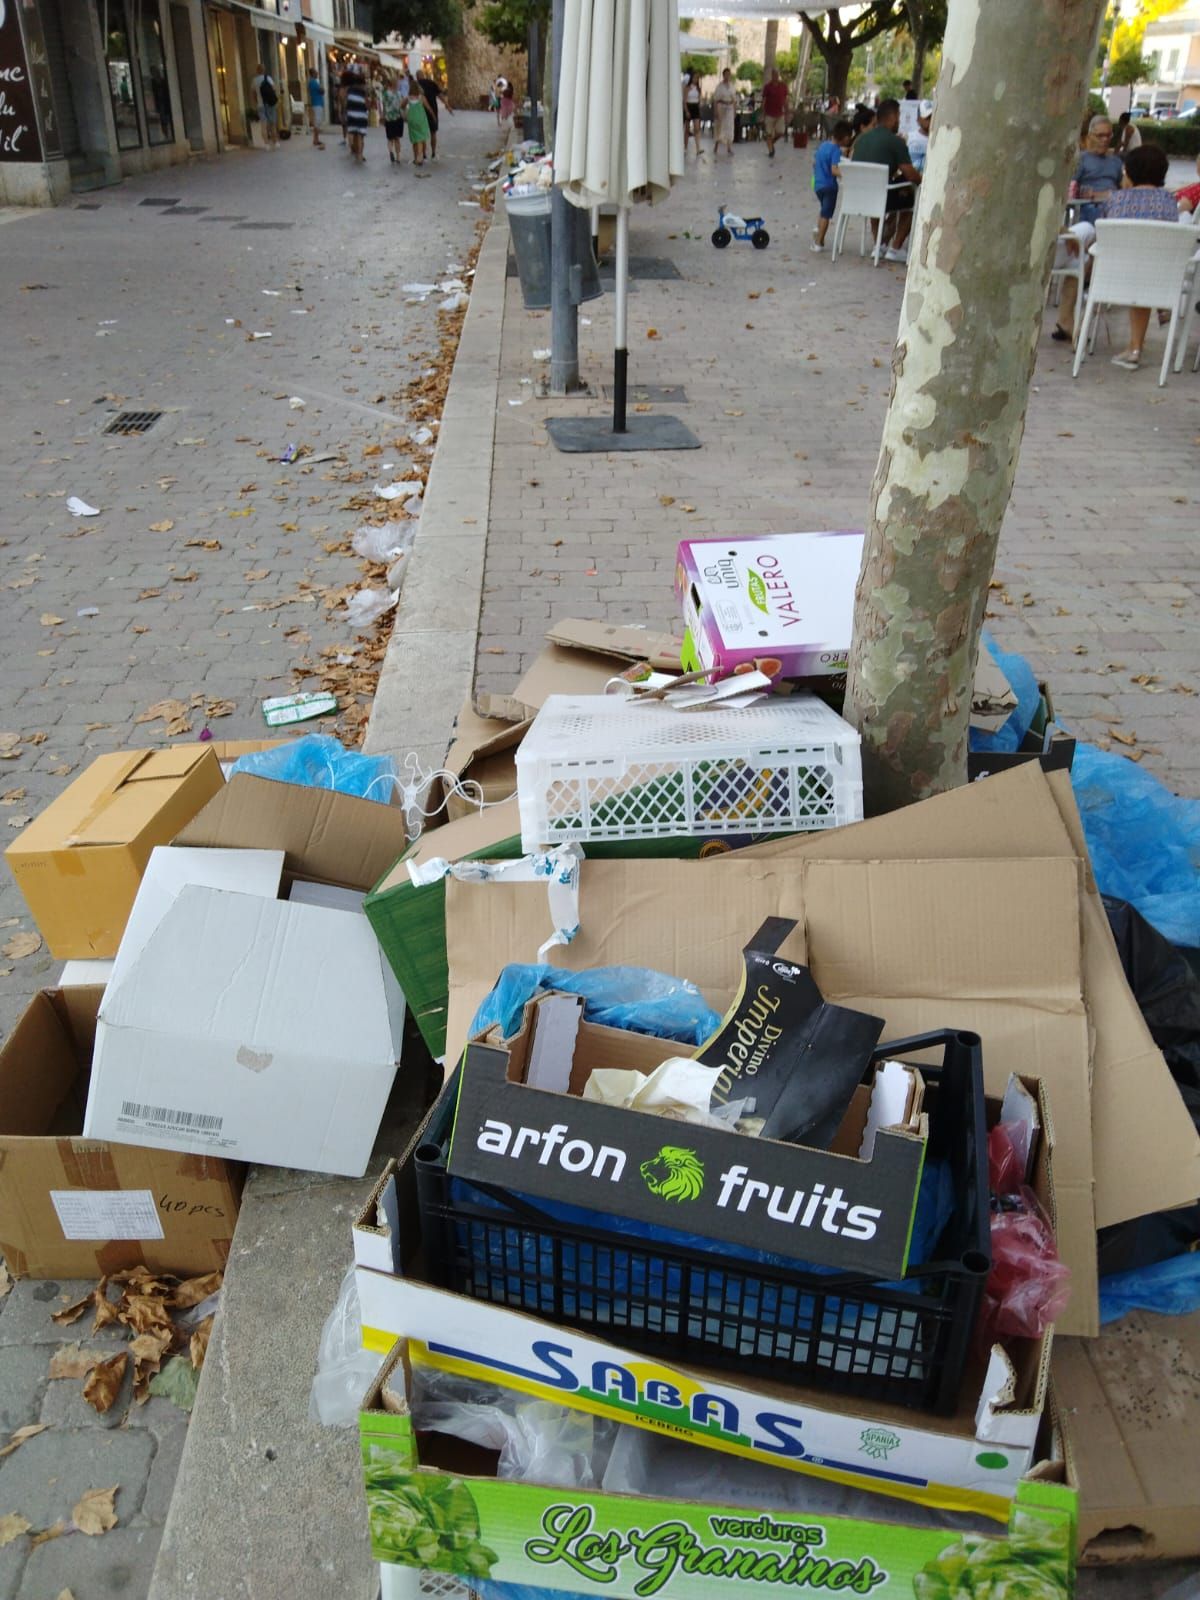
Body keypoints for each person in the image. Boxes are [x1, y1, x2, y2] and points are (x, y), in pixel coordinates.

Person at [1105, 143, 1189, 370]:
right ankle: (1135, 347)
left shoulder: (1116, 200)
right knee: (1144, 271)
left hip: (1114, 276)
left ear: (1129, 170)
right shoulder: (1169, 203)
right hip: (1156, 278)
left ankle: (1132, 348)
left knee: (1136, 271)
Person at [851, 96, 922, 262]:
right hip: (881, 197)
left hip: (858, 198)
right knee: (910, 199)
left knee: (884, 191)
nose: (899, 121)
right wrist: (922, 179)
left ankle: (880, 244)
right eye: (899, 116)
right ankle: (895, 248)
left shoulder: (861, 140)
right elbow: (910, 174)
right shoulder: (895, 141)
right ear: (892, 117)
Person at [810, 118, 853, 251]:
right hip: (830, 186)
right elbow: (834, 169)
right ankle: (819, 242)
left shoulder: (823, 146)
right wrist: (847, 174)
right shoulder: (835, 150)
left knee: (823, 210)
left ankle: (818, 230)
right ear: (845, 138)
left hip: (818, 185)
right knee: (826, 215)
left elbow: (814, 162)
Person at [1073, 115, 1123, 223]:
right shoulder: (1081, 160)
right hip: (1090, 208)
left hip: (1114, 206)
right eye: (1100, 135)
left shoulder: (1116, 161)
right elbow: (1070, 189)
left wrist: (1103, 195)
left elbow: (1124, 189)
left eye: (1108, 135)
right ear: (1090, 136)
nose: (1105, 139)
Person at [416, 71, 452, 157]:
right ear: (423, 75)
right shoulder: (432, 83)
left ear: (417, 77)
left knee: (422, 133)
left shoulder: (416, 85)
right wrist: (447, 106)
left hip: (421, 111)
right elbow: (440, 96)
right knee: (433, 132)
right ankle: (433, 152)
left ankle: (424, 153)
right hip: (433, 109)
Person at [342, 66, 369, 162]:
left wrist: (345, 112)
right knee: (360, 136)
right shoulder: (364, 91)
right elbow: (367, 103)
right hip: (361, 115)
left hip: (352, 114)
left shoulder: (349, 90)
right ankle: (360, 155)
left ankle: (356, 151)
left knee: (355, 134)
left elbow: (345, 102)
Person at [403, 78, 432, 166]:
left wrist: (406, 111)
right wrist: (433, 117)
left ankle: (415, 157)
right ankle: (420, 158)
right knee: (420, 139)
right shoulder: (421, 98)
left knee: (415, 139)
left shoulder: (408, 98)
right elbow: (429, 108)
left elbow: (401, 105)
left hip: (411, 120)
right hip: (421, 120)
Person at [761, 67, 788, 159]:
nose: (775, 76)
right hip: (769, 113)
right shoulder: (767, 87)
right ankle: (771, 151)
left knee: (780, 131)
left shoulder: (783, 86)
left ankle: (771, 143)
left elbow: (785, 99)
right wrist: (763, 112)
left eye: (777, 74)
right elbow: (764, 100)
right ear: (772, 75)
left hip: (780, 113)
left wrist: (787, 110)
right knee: (768, 133)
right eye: (774, 74)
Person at [252, 62, 279, 149]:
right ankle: (275, 142)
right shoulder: (268, 78)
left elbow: (253, 94)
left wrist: (256, 102)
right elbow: (274, 89)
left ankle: (266, 144)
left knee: (264, 124)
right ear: (264, 70)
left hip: (261, 105)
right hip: (270, 104)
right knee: (272, 124)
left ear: (257, 70)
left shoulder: (254, 81)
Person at [382, 73, 405, 164]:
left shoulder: (385, 93)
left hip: (389, 117)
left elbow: (383, 106)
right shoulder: (399, 94)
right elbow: (402, 105)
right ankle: (398, 157)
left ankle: (391, 151)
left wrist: (383, 116)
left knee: (390, 138)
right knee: (397, 138)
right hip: (398, 117)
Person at [712, 67, 736, 156]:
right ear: (723, 75)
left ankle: (729, 147)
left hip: (729, 107)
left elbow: (734, 99)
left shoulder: (732, 86)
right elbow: (715, 99)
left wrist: (734, 110)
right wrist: (715, 111)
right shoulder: (719, 86)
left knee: (729, 127)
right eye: (726, 74)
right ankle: (716, 146)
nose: (727, 76)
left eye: (729, 74)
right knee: (719, 127)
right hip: (721, 106)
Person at [906, 98, 932, 171]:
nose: (930, 120)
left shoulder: (939, 139)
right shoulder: (909, 138)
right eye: (927, 117)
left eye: (931, 116)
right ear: (918, 119)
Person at [683, 68, 702, 156]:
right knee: (687, 129)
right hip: (689, 106)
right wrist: (686, 110)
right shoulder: (687, 88)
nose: (696, 79)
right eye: (695, 77)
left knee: (697, 128)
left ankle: (698, 148)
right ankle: (685, 147)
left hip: (695, 107)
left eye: (697, 78)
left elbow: (699, 99)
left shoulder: (698, 88)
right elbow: (684, 100)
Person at [306, 64, 325, 149]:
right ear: (313, 73)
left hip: (316, 103)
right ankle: (315, 139)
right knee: (317, 122)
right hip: (317, 103)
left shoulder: (312, 82)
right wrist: (322, 89)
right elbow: (322, 90)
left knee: (317, 122)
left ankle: (316, 139)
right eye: (316, 72)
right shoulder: (313, 82)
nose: (317, 73)